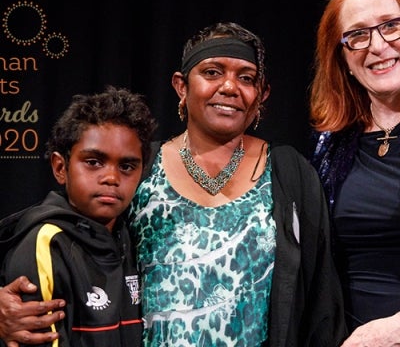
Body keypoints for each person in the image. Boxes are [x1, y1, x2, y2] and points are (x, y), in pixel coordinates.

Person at [0, 22, 347, 347]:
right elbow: (60, 239)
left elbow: (321, 298)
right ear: (182, 85)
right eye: (212, 72)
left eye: (246, 77)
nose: (229, 87)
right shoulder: (138, 167)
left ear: (262, 94)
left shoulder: (289, 174)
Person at [0, 85, 157, 347]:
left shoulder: (135, 235)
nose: (112, 178)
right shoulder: (47, 244)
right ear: (61, 168)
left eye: (127, 166)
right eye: (94, 162)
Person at [309, 0, 400, 347]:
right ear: (343, 58)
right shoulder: (331, 147)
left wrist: (391, 331)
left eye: (392, 26)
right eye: (358, 35)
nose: (378, 46)